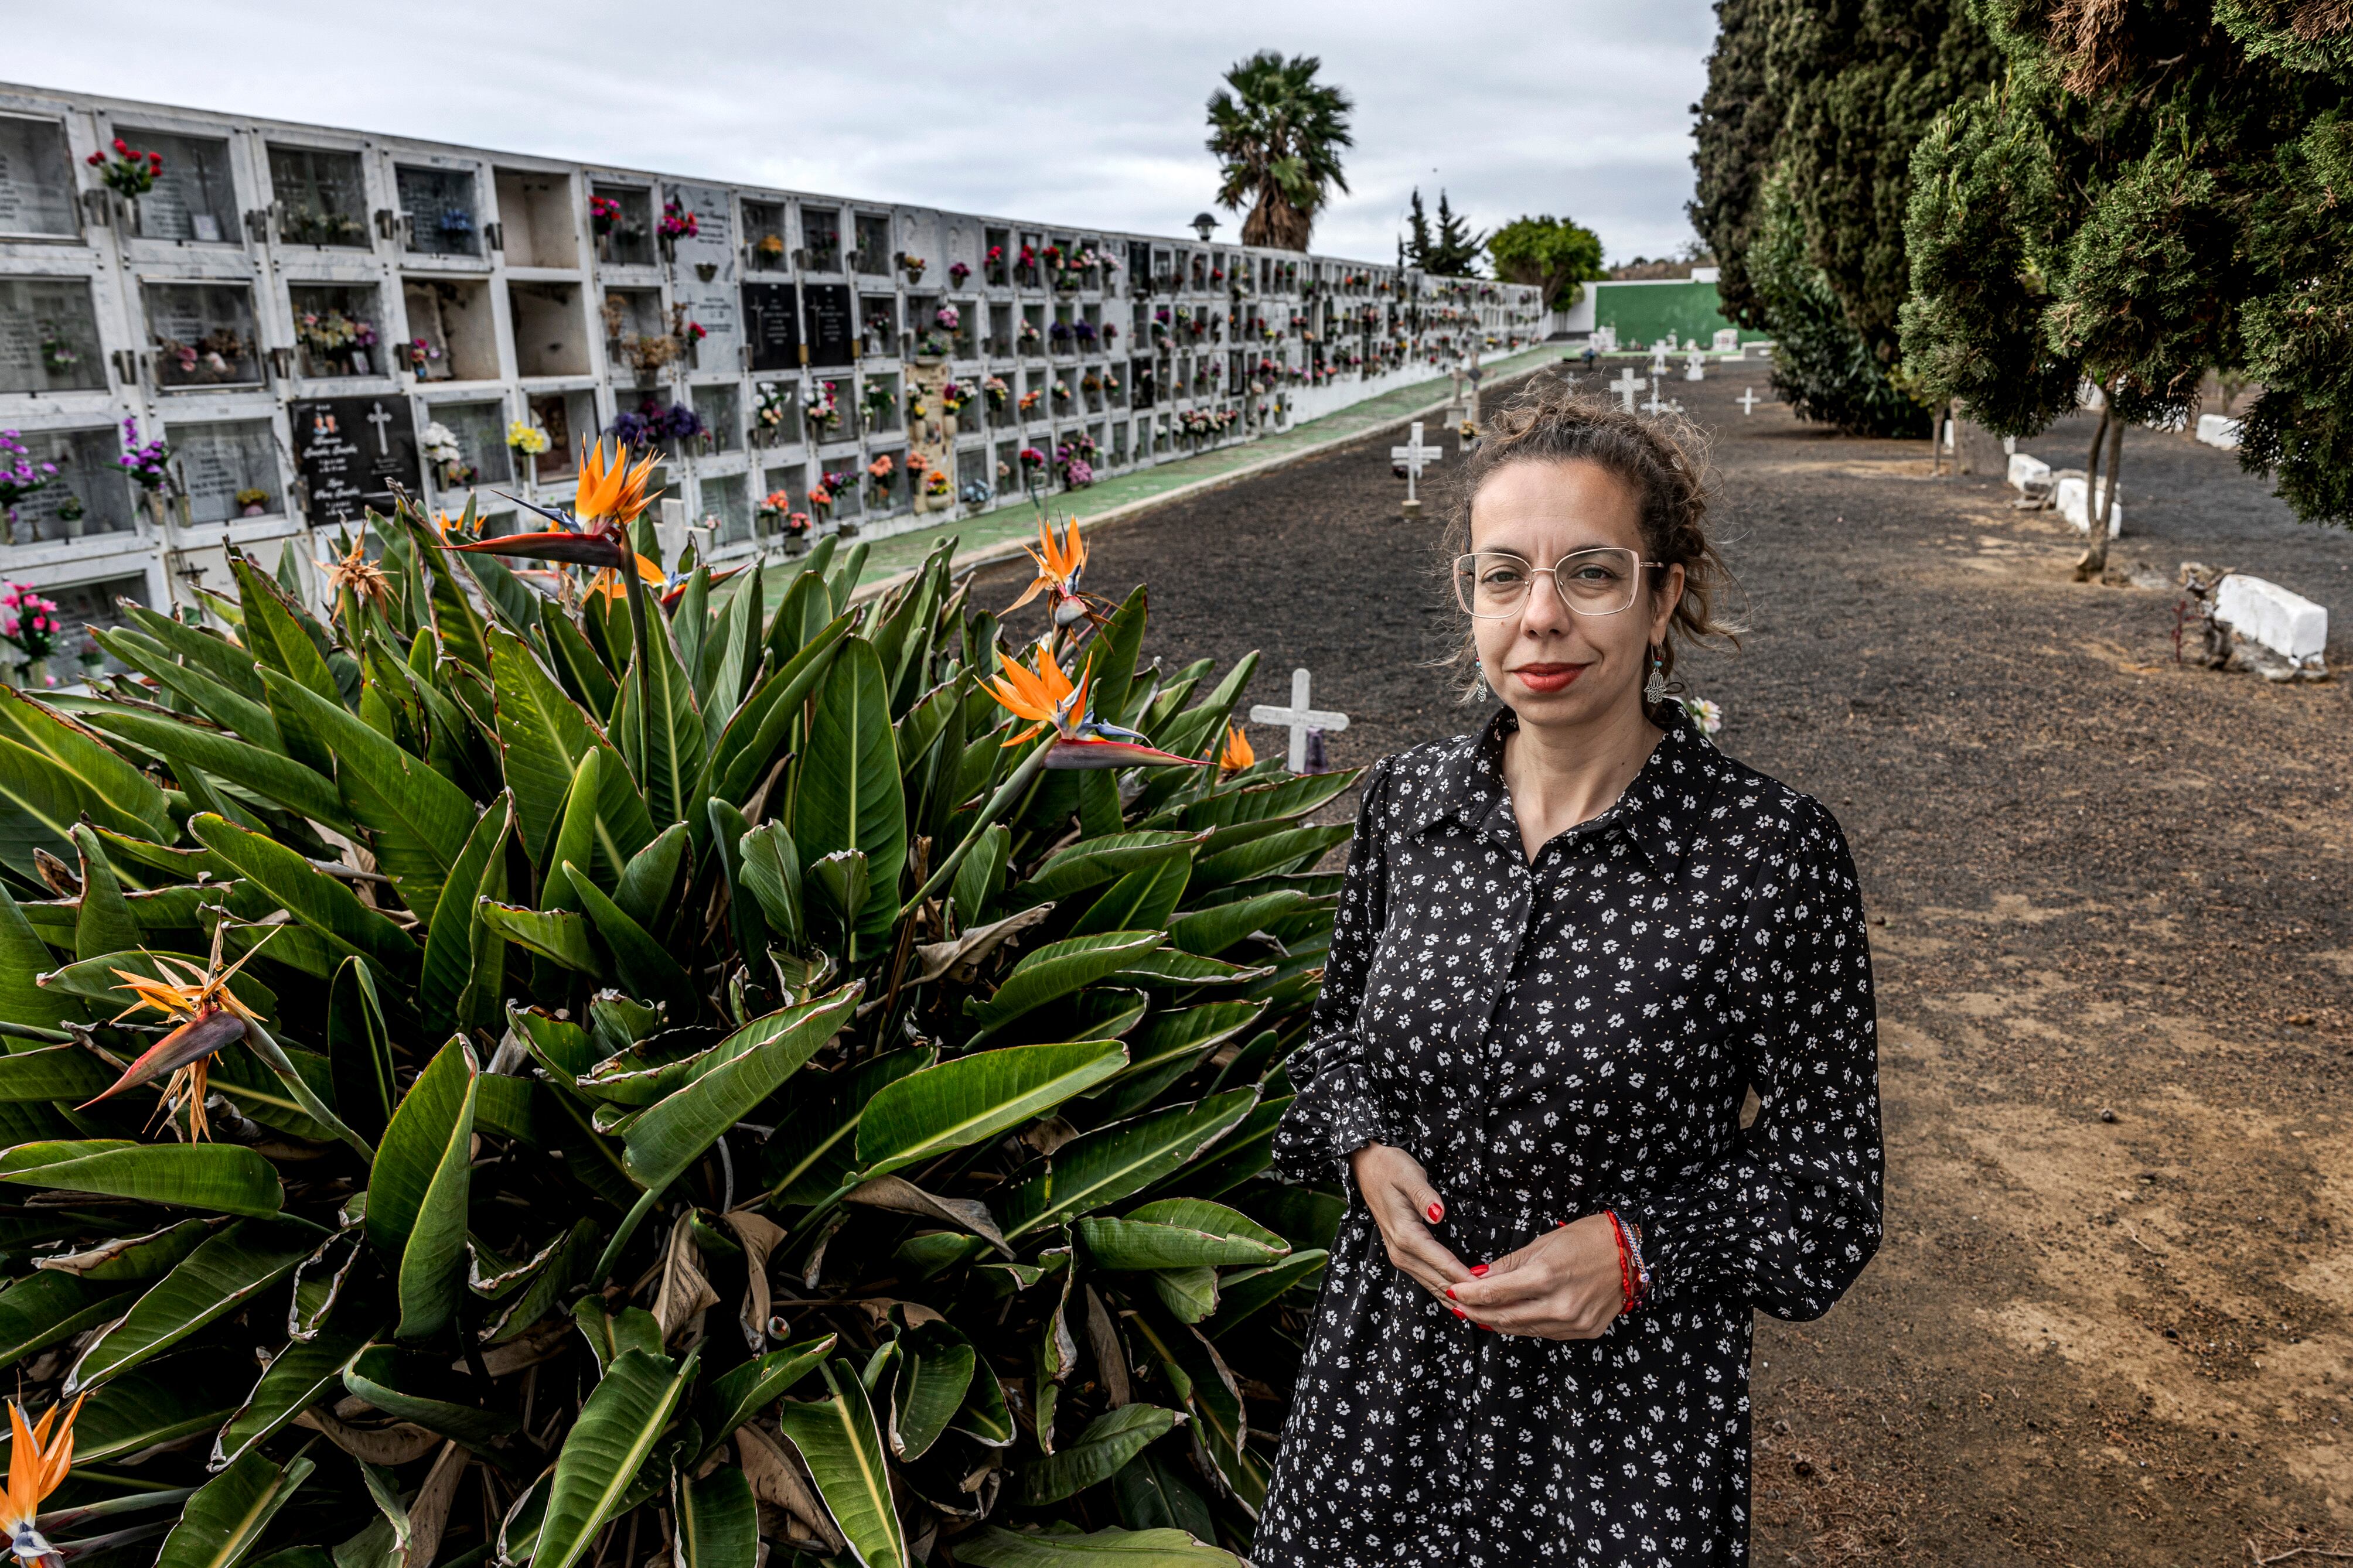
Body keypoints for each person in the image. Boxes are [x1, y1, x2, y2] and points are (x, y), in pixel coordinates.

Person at [1258, 384, 1884, 1567]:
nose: (1540, 618)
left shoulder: (1765, 854)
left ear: (1663, 600)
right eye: (1505, 577)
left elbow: (1829, 1188)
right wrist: (1362, 1148)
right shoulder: (1409, 805)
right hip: (1379, 1398)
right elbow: (1334, 1037)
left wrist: (1641, 1248)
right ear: (1470, 599)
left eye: (1589, 574)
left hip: (1614, 1440)